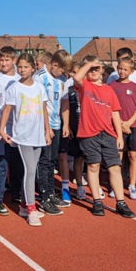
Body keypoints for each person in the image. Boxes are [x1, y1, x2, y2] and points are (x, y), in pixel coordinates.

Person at [73, 56, 135, 219]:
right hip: (89, 133)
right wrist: (89, 64)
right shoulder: (84, 86)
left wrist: (119, 135)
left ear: (102, 70)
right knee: (93, 166)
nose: (93, 71)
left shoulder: (109, 90)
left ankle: (120, 202)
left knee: (115, 167)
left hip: (107, 133)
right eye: (90, 69)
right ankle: (97, 201)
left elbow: (115, 113)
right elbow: (77, 77)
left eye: (96, 69)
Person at [0, 53, 51, 226]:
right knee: (29, 170)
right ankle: (31, 208)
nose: (22, 70)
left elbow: (44, 109)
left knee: (32, 169)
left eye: (26, 67)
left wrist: (47, 129)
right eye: (20, 67)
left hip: (38, 135)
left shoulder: (39, 87)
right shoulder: (14, 87)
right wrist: (1, 129)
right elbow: (7, 110)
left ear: (32, 68)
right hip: (22, 135)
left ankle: (22, 204)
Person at [35, 51, 72, 215]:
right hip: (43, 125)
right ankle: (44, 198)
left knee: (52, 161)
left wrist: (66, 124)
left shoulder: (62, 80)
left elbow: (64, 102)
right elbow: (38, 104)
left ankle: (50, 193)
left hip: (56, 125)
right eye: (63, 71)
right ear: (55, 65)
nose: (64, 75)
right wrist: (46, 127)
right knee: (44, 160)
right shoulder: (40, 77)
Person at [0, 46, 22, 215]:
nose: (4, 63)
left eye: (7, 59)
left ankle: (16, 193)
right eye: (1, 60)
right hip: (2, 129)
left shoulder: (20, 78)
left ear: (14, 61)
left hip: (18, 130)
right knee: (1, 164)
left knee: (18, 164)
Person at [108, 57, 136, 200]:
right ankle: (115, 185)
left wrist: (128, 123)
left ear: (131, 71)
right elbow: (109, 107)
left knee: (133, 155)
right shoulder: (111, 86)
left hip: (133, 126)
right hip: (117, 126)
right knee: (118, 156)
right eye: (120, 68)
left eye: (125, 69)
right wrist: (121, 124)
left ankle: (132, 186)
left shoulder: (135, 87)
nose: (122, 71)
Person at [60, 63, 86, 202]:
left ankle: (82, 185)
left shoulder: (86, 86)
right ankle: (70, 186)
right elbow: (63, 107)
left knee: (84, 159)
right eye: (74, 72)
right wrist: (67, 125)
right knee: (69, 156)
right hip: (71, 127)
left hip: (85, 127)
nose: (76, 74)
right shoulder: (67, 87)